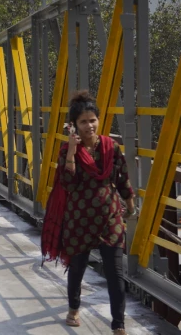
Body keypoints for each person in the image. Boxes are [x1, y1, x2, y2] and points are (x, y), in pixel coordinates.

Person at [41, 91, 136, 335]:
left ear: (98, 120)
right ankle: (73, 308)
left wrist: (131, 204)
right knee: (77, 268)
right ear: (74, 125)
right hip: (79, 220)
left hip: (109, 218)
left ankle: (118, 324)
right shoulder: (66, 150)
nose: (89, 125)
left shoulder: (110, 147)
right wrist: (72, 151)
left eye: (92, 120)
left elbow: (123, 177)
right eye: (83, 121)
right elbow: (68, 183)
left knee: (115, 274)